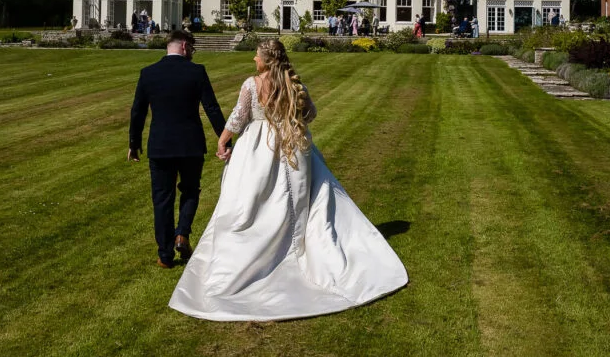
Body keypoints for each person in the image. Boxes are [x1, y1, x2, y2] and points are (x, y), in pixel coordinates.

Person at [169, 38, 408, 320]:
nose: (254, 61)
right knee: (295, 197)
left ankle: (258, 255)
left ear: (265, 60)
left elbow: (238, 117)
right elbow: (312, 114)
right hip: (292, 146)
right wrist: (288, 117)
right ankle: (293, 247)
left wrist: (223, 141)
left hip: (257, 149)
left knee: (251, 202)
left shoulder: (251, 84)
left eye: (257, 56)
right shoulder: (295, 85)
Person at [128, 31, 226, 268]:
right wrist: (225, 139)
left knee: (162, 199)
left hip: (160, 145)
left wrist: (134, 144)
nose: (193, 52)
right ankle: (182, 233)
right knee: (190, 190)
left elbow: (138, 111)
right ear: (184, 46)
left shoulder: (148, 73)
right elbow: (211, 107)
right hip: (190, 143)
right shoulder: (196, 72)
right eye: (192, 48)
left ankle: (165, 255)